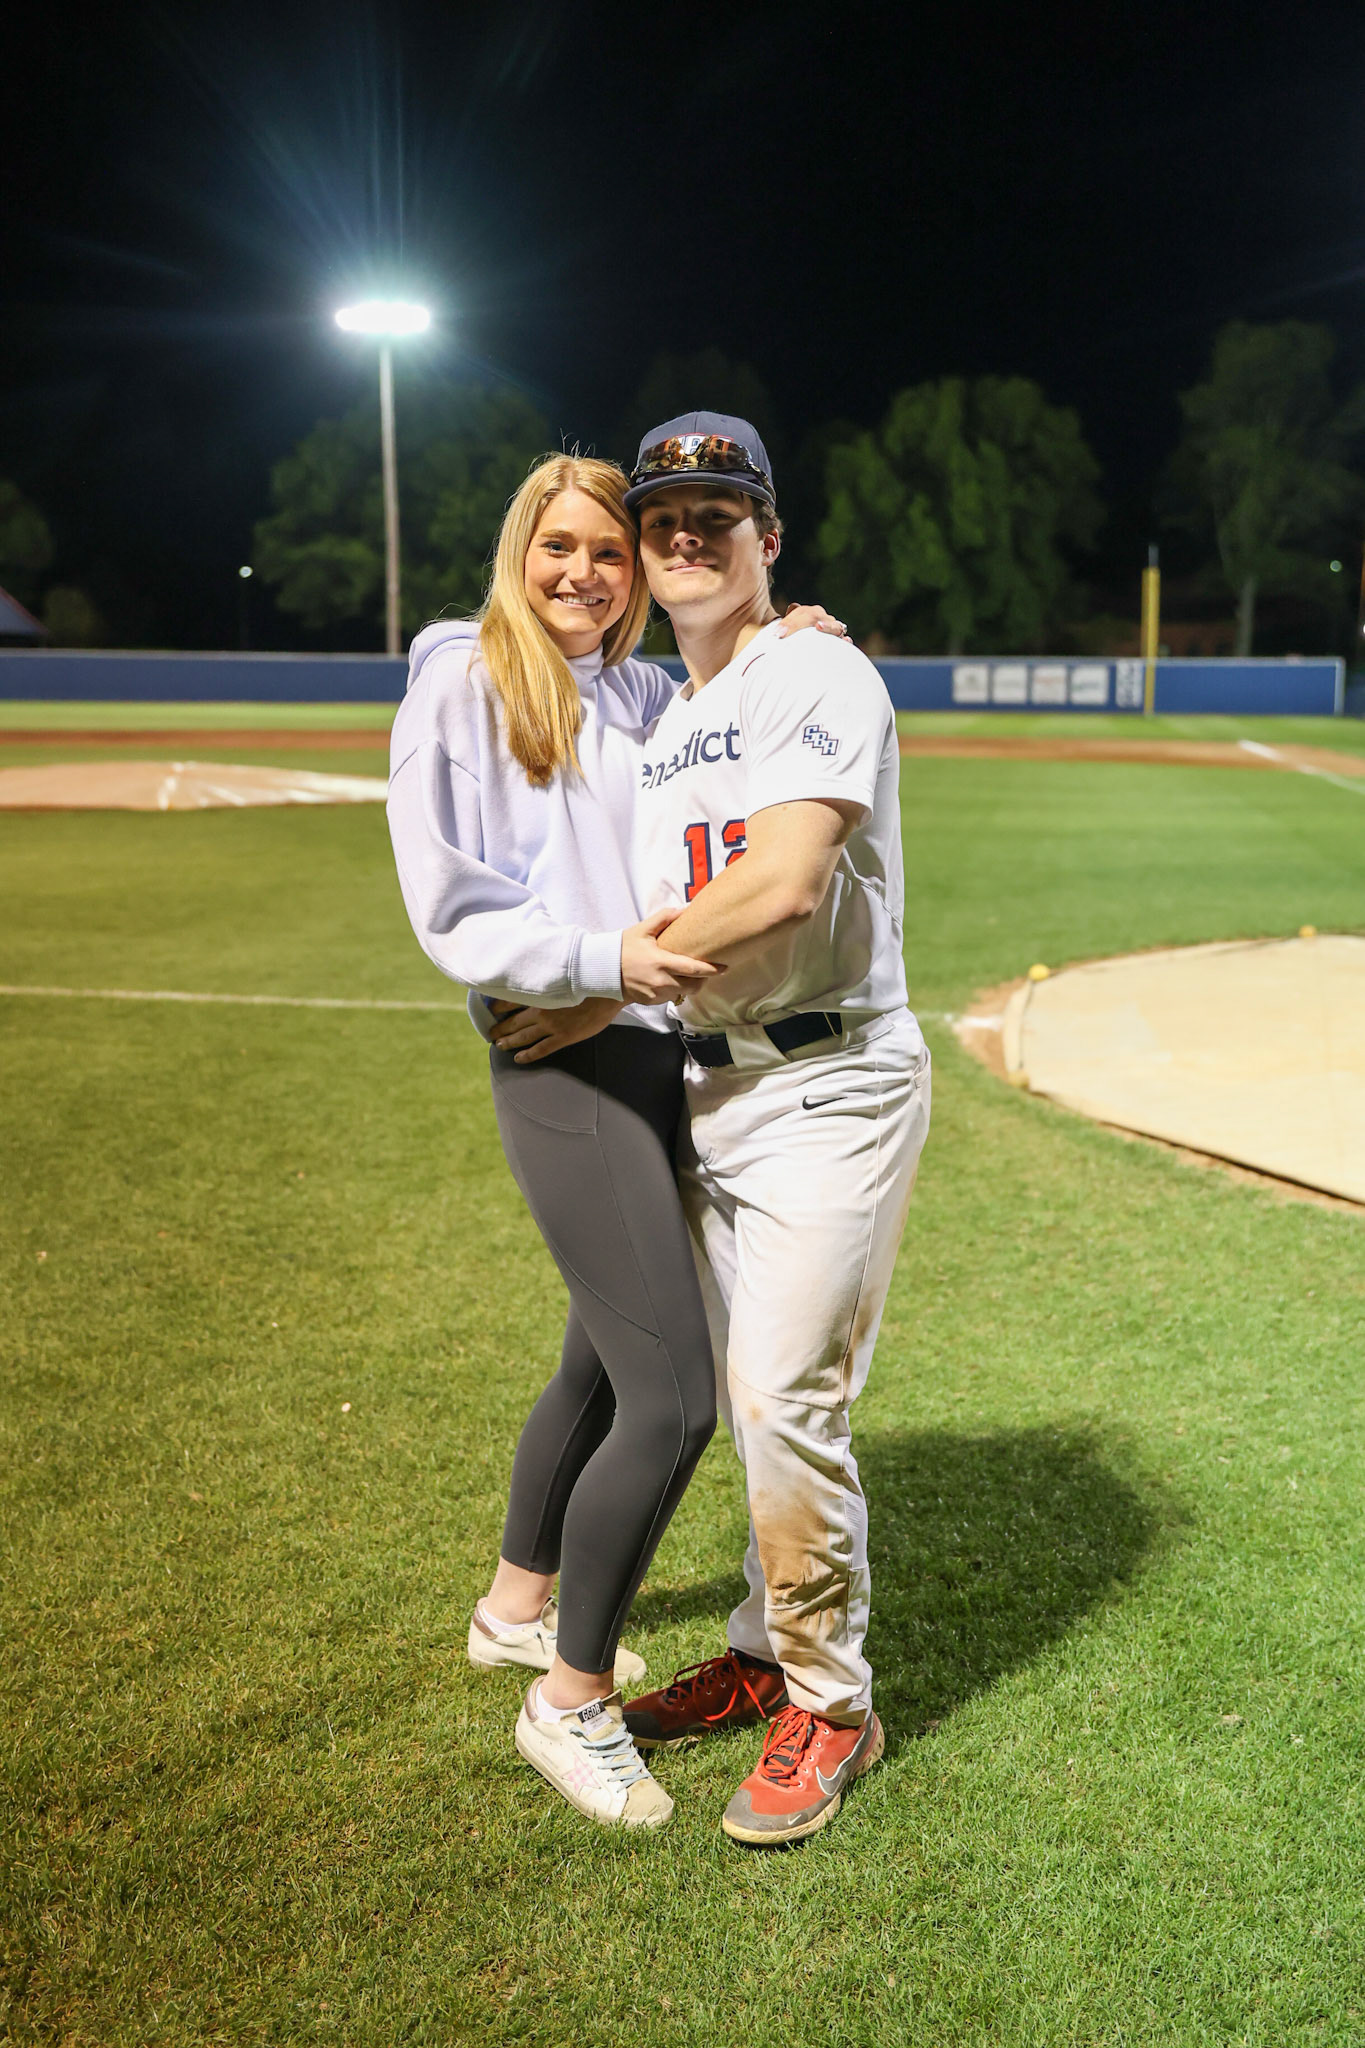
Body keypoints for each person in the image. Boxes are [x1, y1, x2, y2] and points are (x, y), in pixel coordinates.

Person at [386, 452, 843, 1832]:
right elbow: (447, 899)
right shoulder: (464, 678)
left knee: (600, 1357)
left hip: (657, 1055)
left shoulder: (646, 690)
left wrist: (788, 632)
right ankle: (568, 1699)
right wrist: (589, 966)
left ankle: (517, 1609)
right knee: (675, 1398)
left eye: (608, 553)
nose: (582, 574)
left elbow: (721, 752)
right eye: (557, 548)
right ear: (516, 553)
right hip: (563, 1054)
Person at [492, 415, 930, 1846]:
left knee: (783, 1399)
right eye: (665, 512)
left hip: (826, 1080)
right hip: (705, 1081)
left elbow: (788, 881)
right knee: (747, 1392)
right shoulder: (669, 713)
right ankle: (759, 1650)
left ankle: (831, 1703)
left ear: (767, 535)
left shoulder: (814, 664)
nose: (687, 531)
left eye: (718, 511)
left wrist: (599, 973)